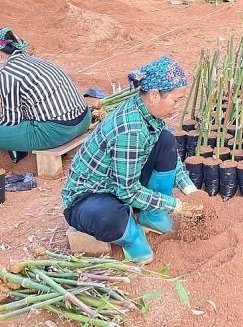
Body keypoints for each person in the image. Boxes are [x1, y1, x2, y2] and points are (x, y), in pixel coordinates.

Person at [61, 56, 204, 264]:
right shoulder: (131, 130)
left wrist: (190, 190)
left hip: (117, 183)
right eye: (176, 100)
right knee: (108, 218)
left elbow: (171, 159)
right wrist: (175, 205)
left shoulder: (149, 112)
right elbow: (127, 191)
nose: (177, 107)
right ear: (154, 95)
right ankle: (132, 236)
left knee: (166, 140)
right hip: (89, 196)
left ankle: (152, 215)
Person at [0, 28, 91, 165]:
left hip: (57, 132)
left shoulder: (7, 73)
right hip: (83, 120)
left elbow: (11, 120)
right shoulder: (35, 60)